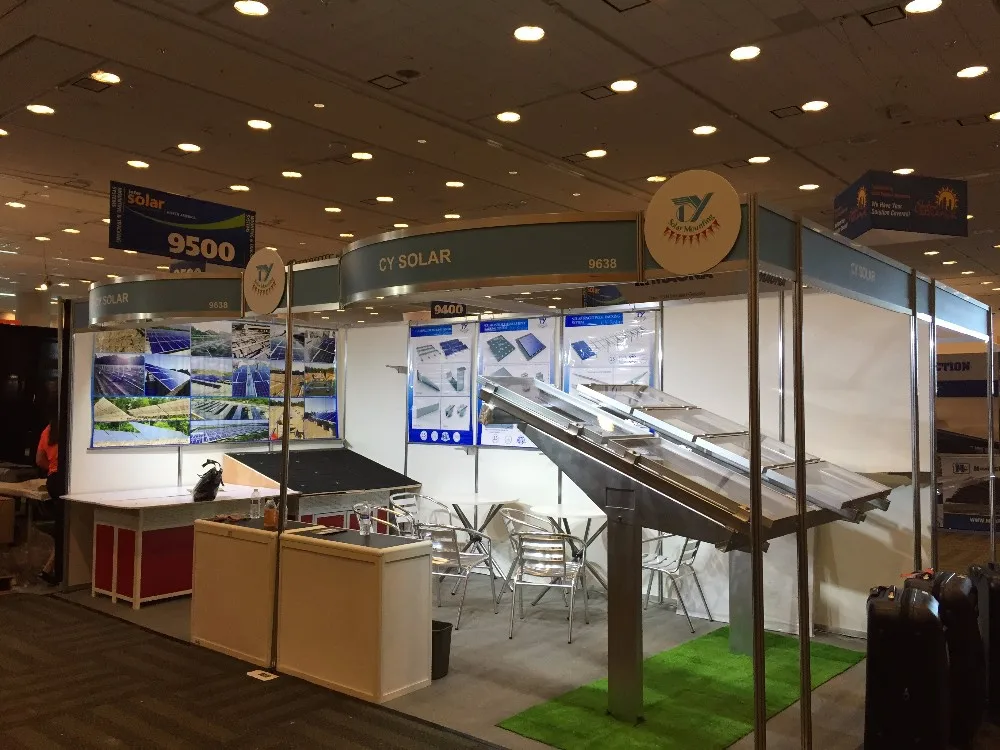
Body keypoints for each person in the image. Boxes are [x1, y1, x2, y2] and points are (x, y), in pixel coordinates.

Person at [35, 413, 65, 585]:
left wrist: (52, 469)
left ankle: (50, 568)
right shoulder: (70, 427)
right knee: (65, 527)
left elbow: (39, 460)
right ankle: (52, 570)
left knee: (62, 524)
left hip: (53, 480)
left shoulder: (48, 430)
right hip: (65, 480)